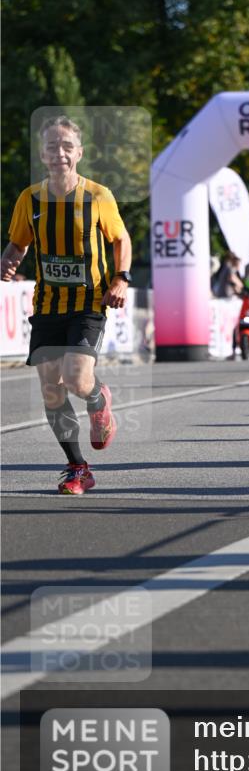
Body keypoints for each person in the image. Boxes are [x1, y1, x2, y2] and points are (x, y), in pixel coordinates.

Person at [1, 116, 132, 494]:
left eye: (67, 146)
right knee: (51, 390)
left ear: (80, 153)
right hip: (47, 305)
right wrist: (8, 259)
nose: (59, 153)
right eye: (51, 147)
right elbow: (18, 244)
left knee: (76, 380)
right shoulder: (29, 199)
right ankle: (78, 468)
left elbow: (121, 239)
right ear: (42, 154)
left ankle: (97, 397)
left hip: (88, 301)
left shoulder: (97, 196)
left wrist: (121, 279)